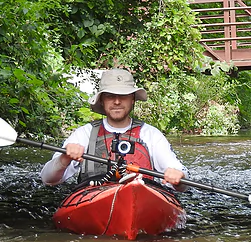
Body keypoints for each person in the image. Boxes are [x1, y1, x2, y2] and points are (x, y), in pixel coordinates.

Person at [41, 68, 187, 190]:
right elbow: (48, 179)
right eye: (110, 96)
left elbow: (182, 183)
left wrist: (178, 177)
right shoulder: (84, 134)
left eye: (123, 96)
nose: (117, 101)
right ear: (102, 100)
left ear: (132, 99)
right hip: (93, 197)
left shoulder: (151, 135)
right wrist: (64, 158)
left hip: (141, 193)